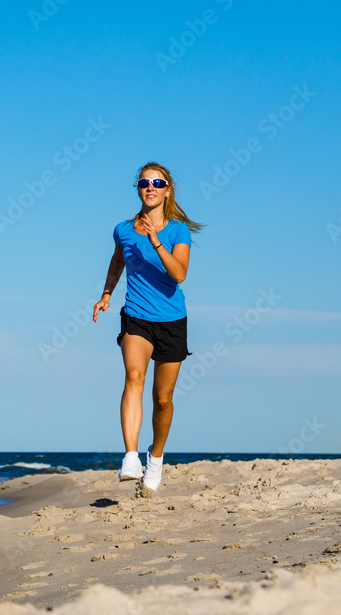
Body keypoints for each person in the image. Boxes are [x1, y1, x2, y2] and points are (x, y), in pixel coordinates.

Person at [92, 162, 202, 491]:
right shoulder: (123, 230)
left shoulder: (178, 231)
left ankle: (156, 457)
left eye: (158, 182)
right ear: (138, 188)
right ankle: (130, 456)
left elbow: (179, 274)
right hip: (136, 316)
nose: (150, 187)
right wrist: (107, 293)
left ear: (167, 190)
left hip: (171, 320)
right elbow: (117, 259)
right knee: (134, 376)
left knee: (163, 399)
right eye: (144, 182)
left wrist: (156, 240)